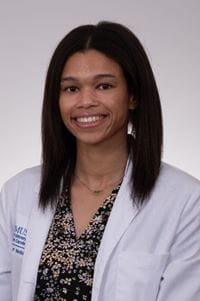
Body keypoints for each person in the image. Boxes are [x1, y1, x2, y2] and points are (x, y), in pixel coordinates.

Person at [0, 21, 200, 301]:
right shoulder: (18, 192)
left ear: (133, 95)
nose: (85, 101)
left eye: (104, 86)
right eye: (71, 89)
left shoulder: (187, 202)